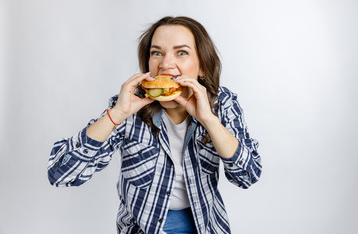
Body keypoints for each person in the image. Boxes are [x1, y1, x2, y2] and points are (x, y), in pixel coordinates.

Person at [48, 16, 262, 234]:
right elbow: (61, 175)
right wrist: (116, 114)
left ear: (202, 68)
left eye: (181, 52)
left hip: (205, 225)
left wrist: (209, 120)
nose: (165, 64)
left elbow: (248, 176)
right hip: (144, 227)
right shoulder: (127, 106)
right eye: (156, 53)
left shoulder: (221, 103)